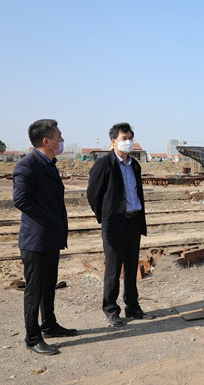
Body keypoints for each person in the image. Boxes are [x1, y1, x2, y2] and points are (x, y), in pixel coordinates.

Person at [13, 119, 76, 355]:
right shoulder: (27, 165)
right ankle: (32, 337)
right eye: (59, 136)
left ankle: (49, 324)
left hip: (51, 236)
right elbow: (20, 200)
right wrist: (48, 217)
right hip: (36, 239)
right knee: (35, 289)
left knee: (49, 284)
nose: (62, 140)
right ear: (46, 141)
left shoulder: (49, 164)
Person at [87, 122, 148, 327]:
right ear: (113, 141)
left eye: (130, 138)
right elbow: (93, 195)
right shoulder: (104, 164)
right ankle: (111, 310)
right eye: (124, 138)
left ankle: (132, 306)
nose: (128, 142)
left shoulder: (135, 165)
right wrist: (105, 217)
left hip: (134, 221)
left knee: (131, 267)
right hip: (114, 223)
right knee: (113, 269)